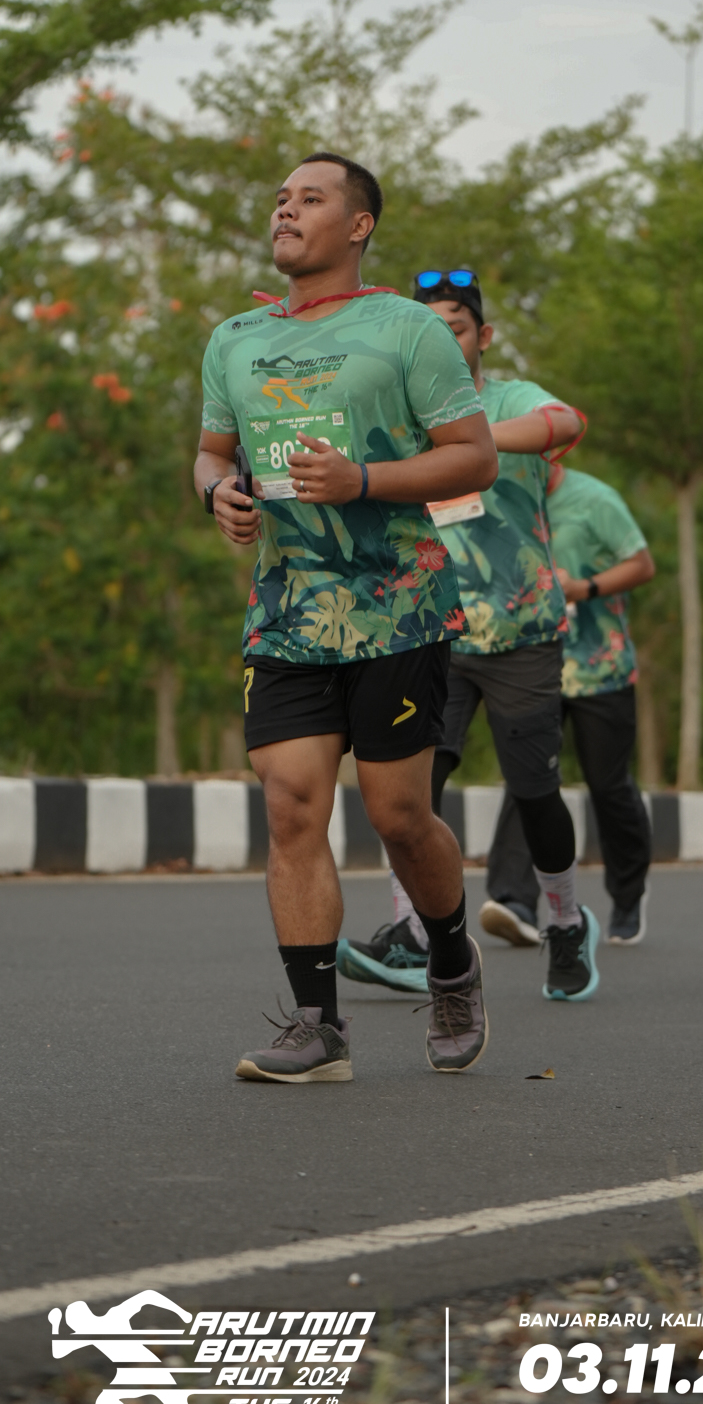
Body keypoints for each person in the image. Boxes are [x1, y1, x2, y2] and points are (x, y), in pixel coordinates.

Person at [194, 157, 498, 1083]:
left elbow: (474, 457)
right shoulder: (235, 339)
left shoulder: (407, 329)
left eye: (310, 198)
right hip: (288, 608)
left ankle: (452, 961)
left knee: (400, 815)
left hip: (397, 606)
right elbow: (211, 453)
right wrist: (219, 494)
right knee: (292, 805)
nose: (286, 210)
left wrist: (362, 479)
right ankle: (317, 1026)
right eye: (280, 199)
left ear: (360, 225)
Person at [337, 268, 602, 1001]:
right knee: (410, 792)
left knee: (535, 790)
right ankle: (413, 933)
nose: (441, 340)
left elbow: (566, 423)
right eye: (427, 329)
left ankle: (564, 921)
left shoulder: (509, 399)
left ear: (482, 336)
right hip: (428, 629)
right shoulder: (395, 408)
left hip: (521, 631)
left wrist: (471, 440)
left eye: (453, 327)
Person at [479, 461, 656, 945]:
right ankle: (515, 900)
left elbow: (642, 564)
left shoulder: (596, 500)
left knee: (608, 784)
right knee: (527, 777)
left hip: (599, 667)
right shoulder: (502, 498)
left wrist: (585, 588)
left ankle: (628, 896)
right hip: (530, 663)